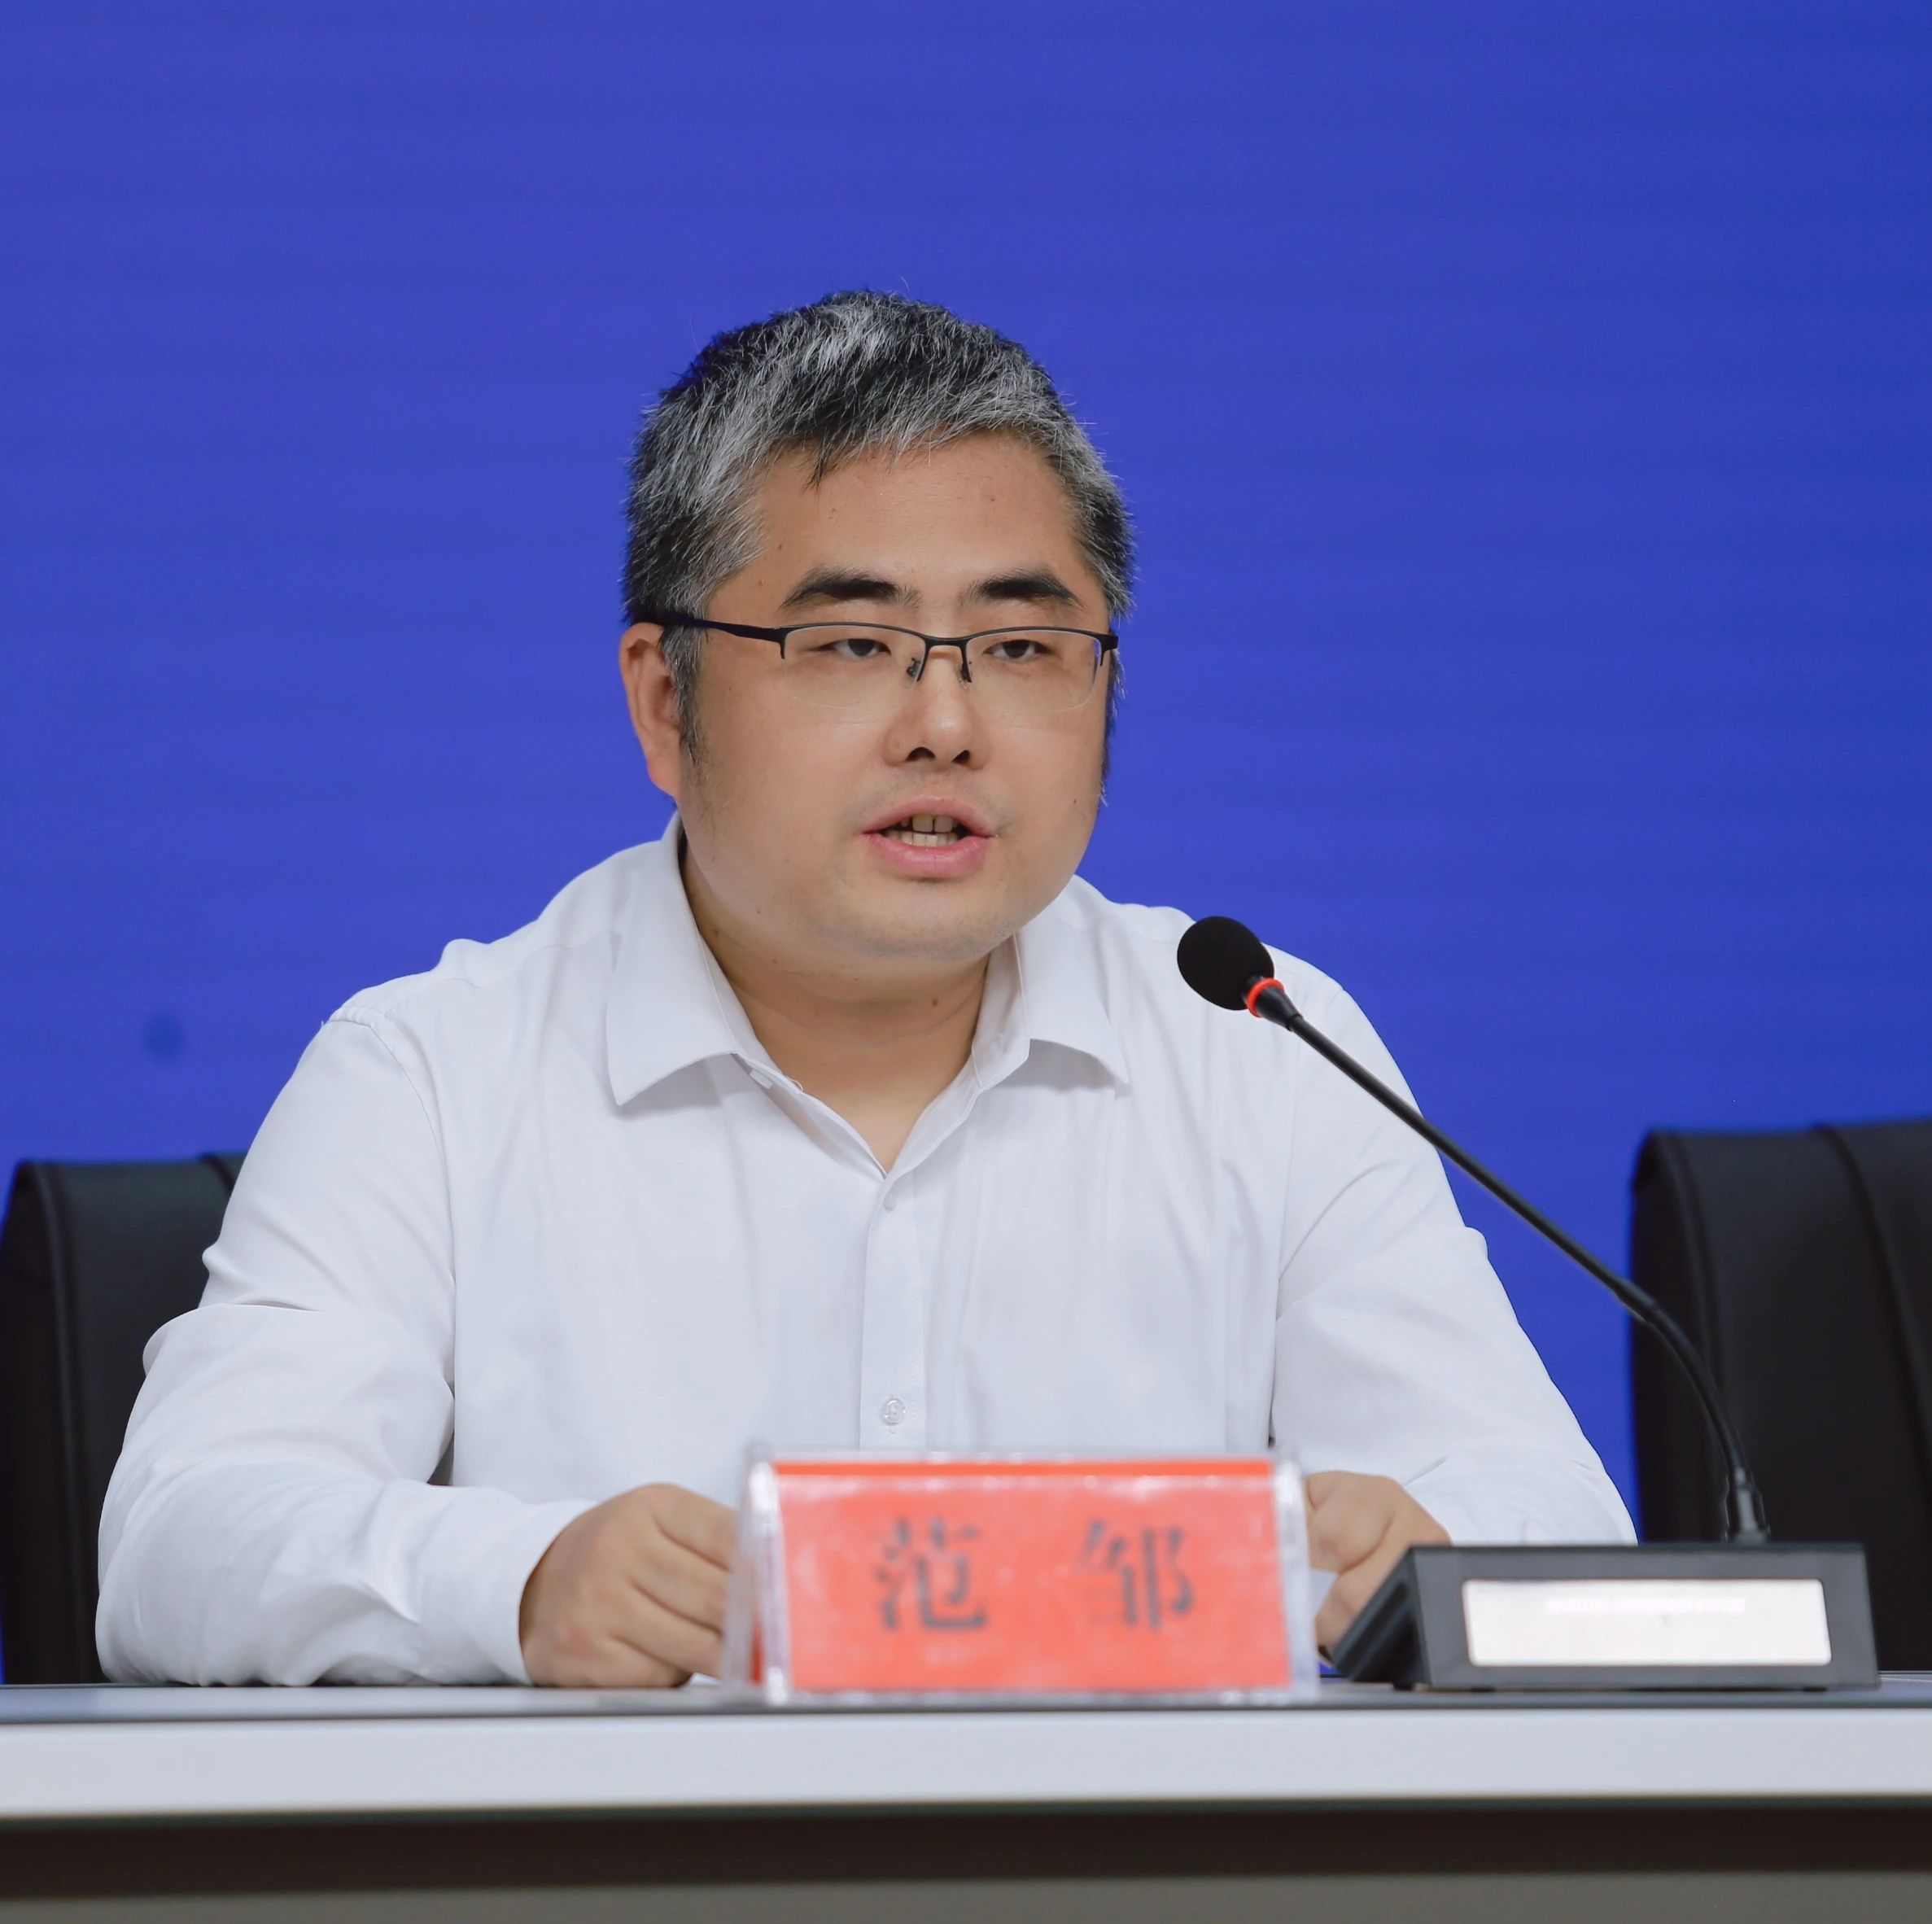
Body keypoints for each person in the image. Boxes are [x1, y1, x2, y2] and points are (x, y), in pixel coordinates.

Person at [97, 291, 1632, 1688]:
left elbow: (1557, 1520)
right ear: (663, 701)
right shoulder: (433, 1075)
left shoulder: (1257, 1043)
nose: (944, 723)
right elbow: (179, 1539)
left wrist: (1423, 1545)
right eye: (849, 644)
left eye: (1020, 646)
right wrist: (520, 1582)